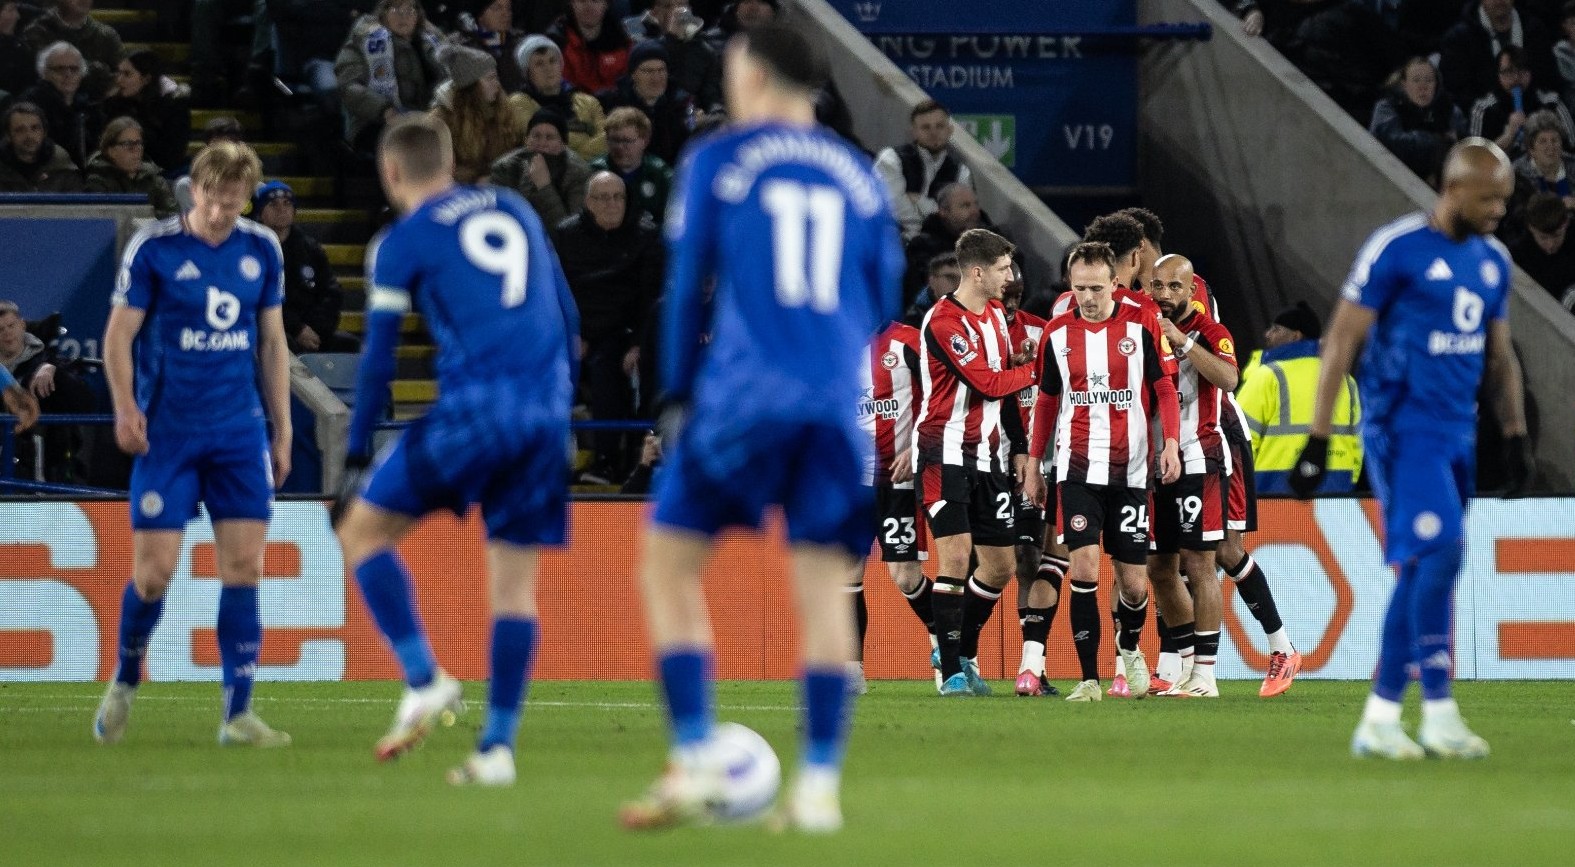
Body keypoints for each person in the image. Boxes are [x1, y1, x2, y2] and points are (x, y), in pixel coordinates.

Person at [619, 21, 902, 833]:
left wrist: (674, 396)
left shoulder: (718, 157)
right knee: (821, 592)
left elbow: (685, 284)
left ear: (757, 75)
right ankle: (816, 787)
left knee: (668, 565)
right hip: (835, 407)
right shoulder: (858, 175)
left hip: (745, 394)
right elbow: (884, 296)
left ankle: (693, 755)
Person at [332, 114, 581, 786]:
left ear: (391, 173)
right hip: (544, 415)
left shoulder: (401, 240)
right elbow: (567, 312)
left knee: (360, 532)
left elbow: (379, 356)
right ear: (447, 159)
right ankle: (496, 748)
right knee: (514, 589)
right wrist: (563, 406)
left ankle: (423, 677)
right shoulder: (517, 207)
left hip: (478, 411)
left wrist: (356, 457)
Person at [1294, 138, 1531, 760]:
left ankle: (1382, 717)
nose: (1499, 211)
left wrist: (1514, 436)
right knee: (1441, 552)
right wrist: (1318, 438)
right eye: (1489, 199)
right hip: (1402, 430)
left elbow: (1500, 356)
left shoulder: (1493, 261)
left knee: (1431, 568)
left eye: (1504, 200)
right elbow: (1340, 341)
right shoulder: (1396, 248)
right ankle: (1436, 711)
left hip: (1458, 434)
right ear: (1454, 190)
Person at [92, 140, 294, 749]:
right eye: (216, 200)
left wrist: (282, 428)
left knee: (244, 569)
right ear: (195, 189)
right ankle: (125, 681)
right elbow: (117, 337)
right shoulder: (154, 247)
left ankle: (237, 715)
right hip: (170, 435)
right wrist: (126, 409)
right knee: (153, 576)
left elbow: (273, 343)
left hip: (237, 433)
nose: (224, 213)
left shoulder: (262, 247)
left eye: (236, 204)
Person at [1023, 241, 1181, 703]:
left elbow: (1164, 388)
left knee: (1134, 583)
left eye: (1095, 287)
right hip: (1076, 469)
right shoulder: (1056, 335)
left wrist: (1169, 442)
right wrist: (1034, 466)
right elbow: (1047, 403)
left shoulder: (1142, 326)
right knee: (1084, 566)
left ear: (1115, 283)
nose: (1087, 297)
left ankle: (1128, 647)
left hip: (1132, 472)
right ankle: (1089, 680)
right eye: (1079, 289)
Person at [909, 229, 1036, 698]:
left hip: (990, 456)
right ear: (978, 272)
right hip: (944, 453)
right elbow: (987, 382)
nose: (1010, 276)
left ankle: (954, 646)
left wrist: (1020, 448)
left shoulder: (998, 318)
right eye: (1003, 268)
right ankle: (954, 674)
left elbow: (1004, 395)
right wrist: (1038, 367)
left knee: (1001, 567)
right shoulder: (943, 321)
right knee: (956, 558)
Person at [1141, 254, 1237, 698]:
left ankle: (1207, 673)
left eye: (1173, 287)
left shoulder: (1211, 333)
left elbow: (1229, 379)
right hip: (1152, 463)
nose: (1163, 294)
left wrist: (1181, 342)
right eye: (1157, 285)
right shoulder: (1142, 327)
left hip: (1198, 458)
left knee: (1200, 563)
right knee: (1159, 568)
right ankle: (1183, 667)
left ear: (1191, 290)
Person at [554, 170, 664, 482]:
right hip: (578, 330)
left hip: (624, 333)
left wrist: (639, 344)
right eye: (603, 198)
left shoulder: (645, 235)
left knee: (607, 367)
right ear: (587, 202)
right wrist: (573, 334)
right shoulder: (566, 235)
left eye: (618, 197)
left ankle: (607, 461)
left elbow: (650, 298)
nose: (612, 204)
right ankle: (552, 461)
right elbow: (556, 292)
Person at [853, 311, 936, 694]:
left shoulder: (908, 340)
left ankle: (948, 649)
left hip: (896, 481)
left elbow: (939, 396)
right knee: (845, 577)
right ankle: (852, 673)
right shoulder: (833, 342)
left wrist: (918, 449)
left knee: (905, 576)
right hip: (850, 483)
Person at [1001, 264, 1063, 697]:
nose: (1007, 306)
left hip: (1039, 461)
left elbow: (1057, 388)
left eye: (1015, 297)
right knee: (1007, 562)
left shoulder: (1042, 334)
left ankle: (1032, 662)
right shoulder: (973, 334)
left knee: (1031, 555)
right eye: (1001, 296)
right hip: (991, 459)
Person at [1238, 300, 1362, 494]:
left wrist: (1240, 491)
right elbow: (1359, 442)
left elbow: (1240, 440)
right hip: (1336, 494)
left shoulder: (1267, 376)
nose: (1267, 334)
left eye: (1276, 329)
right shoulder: (1345, 381)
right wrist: (1349, 479)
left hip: (1273, 494)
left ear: (1296, 335)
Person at [252, 180, 358, 354]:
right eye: (273, 204)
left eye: (287, 204)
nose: (281, 209)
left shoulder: (310, 248)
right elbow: (261, 299)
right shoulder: (253, 250)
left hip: (313, 329)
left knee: (350, 345)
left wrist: (316, 328)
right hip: (276, 329)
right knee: (284, 344)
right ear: (261, 212)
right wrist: (298, 328)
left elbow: (331, 292)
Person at [334, 0, 445, 153]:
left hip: (427, 120)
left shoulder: (430, 40)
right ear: (383, 12)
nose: (403, 16)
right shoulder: (363, 37)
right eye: (396, 8)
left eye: (410, 10)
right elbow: (349, 87)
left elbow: (452, 76)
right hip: (374, 122)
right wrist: (385, 110)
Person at [874, 100, 972, 240]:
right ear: (913, 132)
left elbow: (961, 216)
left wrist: (919, 200)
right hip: (894, 242)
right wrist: (936, 213)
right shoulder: (891, 159)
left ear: (950, 130)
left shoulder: (960, 172)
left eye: (939, 126)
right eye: (926, 127)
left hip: (940, 248)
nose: (933, 133)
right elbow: (890, 207)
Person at [429, 43, 522, 184]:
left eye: (496, 77)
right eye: (490, 78)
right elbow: (437, 166)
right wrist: (474, 178)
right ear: (472, 85)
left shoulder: (503, 110)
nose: (496, 84)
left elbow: (517, 148)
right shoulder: (441, 120)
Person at [1441, 0, 1559, 111]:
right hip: (1483, 119)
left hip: (1535, 115)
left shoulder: (1535, 30)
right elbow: (1457, 94)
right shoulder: (1458, 39)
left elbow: (1548, 81)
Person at [1370, 57, 1467, 187]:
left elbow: (1462, 146)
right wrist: (1436, 140)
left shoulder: (1449, 110)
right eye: (1416, 80)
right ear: (1404, 84)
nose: (1423, 87)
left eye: (1428, 80)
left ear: (1436, 84)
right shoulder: (1387, 108)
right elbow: (1391, 142)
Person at [489, 108, 593, 230]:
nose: (542, 143)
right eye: (536, 136)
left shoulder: (578, 172)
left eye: (550, 137)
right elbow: (499, 217)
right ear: (526, 140)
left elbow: (571, 231)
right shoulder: (504, 167)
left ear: (563, 144)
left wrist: (544, 187)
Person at [901, 182, 1000, 308]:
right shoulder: (922, 247)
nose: (974, 211)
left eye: (976, 204)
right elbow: (917, 293)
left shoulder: (994, 240)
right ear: (944, 211)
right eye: (965, 206)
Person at [509, 34, 608, 161]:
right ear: (527, 73)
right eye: (539, 64)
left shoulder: (587, 101)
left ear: (561, 65)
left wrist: (572, 157)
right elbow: (542, 146)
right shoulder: (519, 102)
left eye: (552, 61)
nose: (548, 68)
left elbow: (607, 139)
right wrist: (586, 145)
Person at [596, 39, 694, 165]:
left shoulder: (681, 104)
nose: (656, 78)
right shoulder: (611, 103)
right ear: (633, 74)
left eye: (661, 70)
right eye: (648, 71)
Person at [1468, 46, 1573, 157]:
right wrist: (1508, 135)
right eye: (1508, 72)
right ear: (1498, 75)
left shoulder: (1551, 103)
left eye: (1521, 71)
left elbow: (1571, 146)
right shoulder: (1484, 109)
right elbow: (1475, 161)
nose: (1516, 78)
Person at [100, 49, 191, 176]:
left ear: (146, 79)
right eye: (119, 73)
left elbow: (172, 155)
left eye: (127, 74)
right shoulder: (113, 104)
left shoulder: (174, 106)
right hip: (119, 171)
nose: (119, 80)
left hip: (162, 172)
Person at [632, 0, 723, 114]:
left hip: (693, 117)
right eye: (667, 6)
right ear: (654, 12)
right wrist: (672, 39)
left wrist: (716, 113)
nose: (676, 11)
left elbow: (711, 96)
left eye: (681, 5)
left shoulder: (704, 51)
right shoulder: (639, 41)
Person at [20, 41, 102, 168]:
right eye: (59, 69)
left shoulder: (88, 105)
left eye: (74, 69)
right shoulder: (30, 104)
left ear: (82, 74)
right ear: (44, 73)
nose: (67, 74)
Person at [20, 0, 122, 100]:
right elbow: (48, 72)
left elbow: (120, 76)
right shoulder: (38, 32)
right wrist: (100, 72)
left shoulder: (106, 35)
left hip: (97, 106)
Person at [83, 117, 180, 217]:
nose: (136, 150)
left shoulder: (153, 178)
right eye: (128, 144)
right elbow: (101, 217)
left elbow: (173, 215)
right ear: (111, 151)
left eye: (139, 143)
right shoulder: (98, 180)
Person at [590, 105, 672, 222]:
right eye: (614, 140)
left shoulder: (660, 174)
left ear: (644, 141)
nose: (619, 147)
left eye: (627, 141)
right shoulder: (595, 172)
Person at [548, 0, 631, 95]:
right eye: (582, 1)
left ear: (606, 4)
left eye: (595, 1)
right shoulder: (556, 42)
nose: (589, 6)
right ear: (572, 3)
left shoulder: (622, 40)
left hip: (617, 106)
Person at [1508, 191, 1575, 304]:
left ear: (1566, 223)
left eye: (1557, 235)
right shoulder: (1518, 256)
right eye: (1543, 238)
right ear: (1531, 228)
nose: (1550, 244)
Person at [0, 100, 82, 191]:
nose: (29, 136)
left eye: (35, 128)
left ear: (44, 132)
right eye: (20, 130)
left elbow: (76, 202)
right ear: (8, 136)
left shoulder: (61, 163)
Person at [452, 0, 529, 95]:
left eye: (508, 8)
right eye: (497, 8)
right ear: (480, 16)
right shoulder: (462, 46)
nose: (506, 14)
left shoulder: (520, 41)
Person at [1511, 109, 1575, 204]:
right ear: (1531, 150)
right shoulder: (1517, 175)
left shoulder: (1572, 165)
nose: (1550, 146)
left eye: (1554, 140)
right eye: (1543, 141)